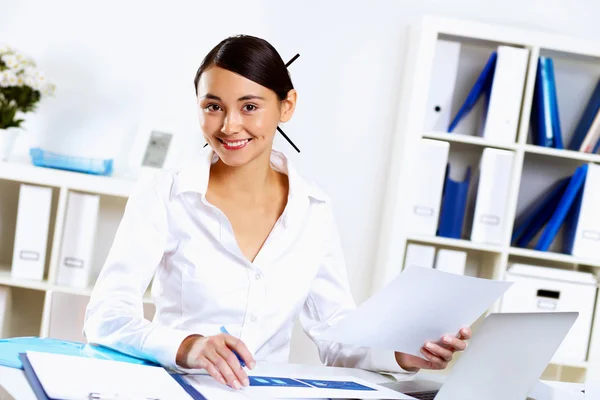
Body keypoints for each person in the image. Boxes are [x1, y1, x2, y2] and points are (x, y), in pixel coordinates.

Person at [83, 34, 471, 390]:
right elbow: (106, 315)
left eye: (249, 106)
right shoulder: (165, 194)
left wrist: (402, 355)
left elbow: (334, 334)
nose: (230, 125)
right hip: (173, 390)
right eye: (213, 106)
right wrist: (189, 346)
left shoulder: (312, 209)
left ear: (287, 106)